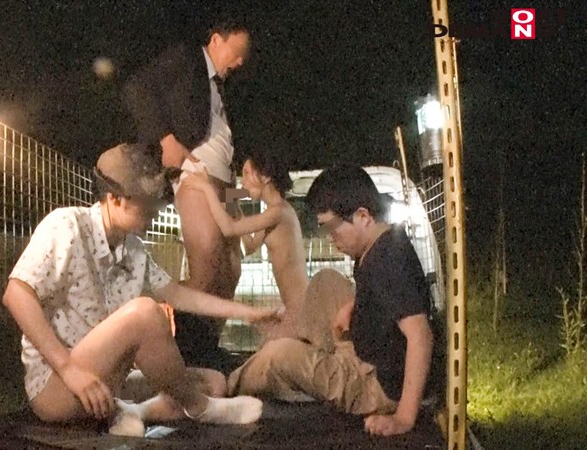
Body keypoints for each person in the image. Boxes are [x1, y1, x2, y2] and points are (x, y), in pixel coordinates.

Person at [2, 143, 276, 436]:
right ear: (114, 198)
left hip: (107, 379)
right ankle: (201, 408)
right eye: (147, 204)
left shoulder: (133, 248)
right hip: (58, 386)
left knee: (212, 382)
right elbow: (16, 294)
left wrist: (248, 312)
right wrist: (69, 369)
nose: (155, 212)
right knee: (144, 313)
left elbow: (178, 295)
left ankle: (131, 411)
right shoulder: (67, 225)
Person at [227, 163, 443, 437]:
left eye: (333, 228)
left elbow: (421, 335)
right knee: (325, 281)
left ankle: (226, 385)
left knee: (278, 355)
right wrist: (353, 306)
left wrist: (403, 418)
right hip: (367, 351)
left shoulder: (390, 261)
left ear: (363, 215)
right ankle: (314, 361)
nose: (331, 239)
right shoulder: (378, 245)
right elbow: (384, 297)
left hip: (379, 386)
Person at [124, 21, 252, 374]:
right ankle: (176, 345)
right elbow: (137, 87)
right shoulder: (187, 59)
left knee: (232, 269)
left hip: (227, 180)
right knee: (206, 254)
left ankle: (207, 348)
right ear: (216, 39)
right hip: (197, 173)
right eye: (236, 52)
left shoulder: (223, 89)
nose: (240, 62)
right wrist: (165, 139)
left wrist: (239, 188)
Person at [180, 153, 308, 342]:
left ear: (265, 176)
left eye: (247, 173)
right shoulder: (276, 211)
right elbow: (249, 246)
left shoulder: (278, 212)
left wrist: (206, 188)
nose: (244, 182)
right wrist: (233, 202)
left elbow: (228, 229)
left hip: (300, 312)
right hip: (294, 309)